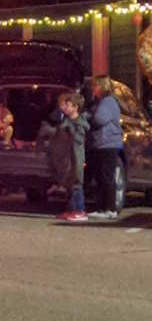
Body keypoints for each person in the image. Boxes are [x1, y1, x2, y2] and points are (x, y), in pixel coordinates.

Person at [87, 75, 124, 220]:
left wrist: (90, 116)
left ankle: (110, 209)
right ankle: (102, 208)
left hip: (108, 143)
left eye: (95, 86)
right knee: (101, 176)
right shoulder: (102, 102)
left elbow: (100, 119)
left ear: (101, 87)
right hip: (102, 143)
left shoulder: (108, 102)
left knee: (107, 176)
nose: (93, 88)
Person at [50, 92, 89, 222]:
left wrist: (70, 129)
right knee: (69, 183)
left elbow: (79, 140)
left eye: (68, 105)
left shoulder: (80, 123)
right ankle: (71, 209)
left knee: (77, 183)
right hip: (67, 157)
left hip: (76, 157)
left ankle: (80, 210)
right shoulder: (66, 120)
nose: (64, 107)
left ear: (76, 107)